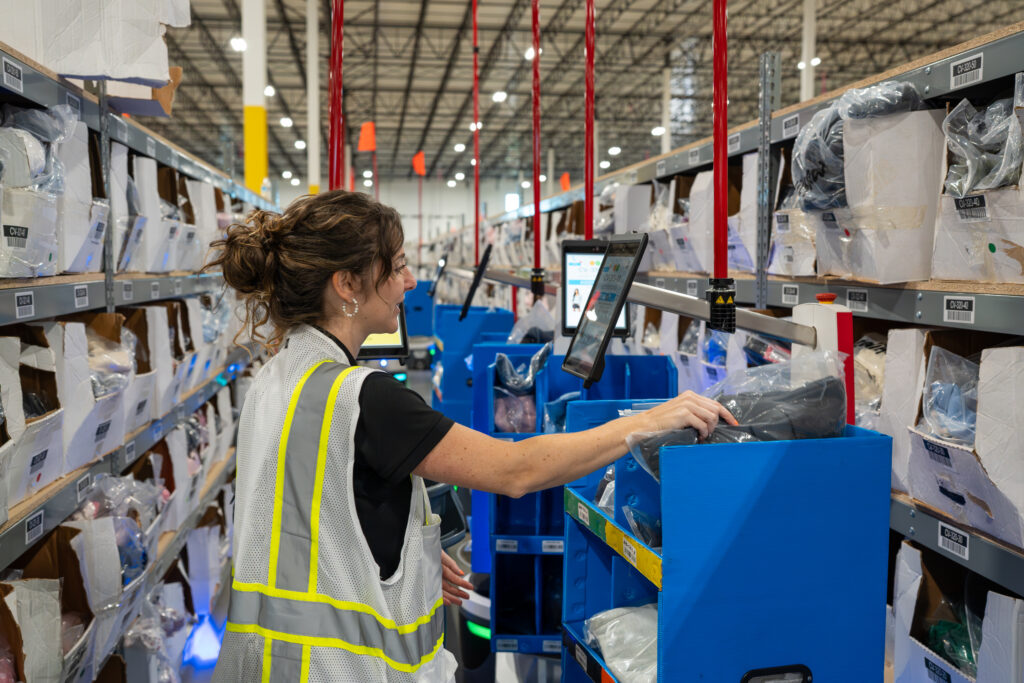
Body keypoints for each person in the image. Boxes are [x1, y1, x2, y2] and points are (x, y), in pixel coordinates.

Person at [209, 191, 736, 682]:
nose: (411, 281)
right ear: (346, 284)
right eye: (395, 268)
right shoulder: (365, 398)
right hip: (337, 668)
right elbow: (515, 471)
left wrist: (393, 553)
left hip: (264, 661)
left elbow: (295, 508)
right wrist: (645, 422)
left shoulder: (276, 376)